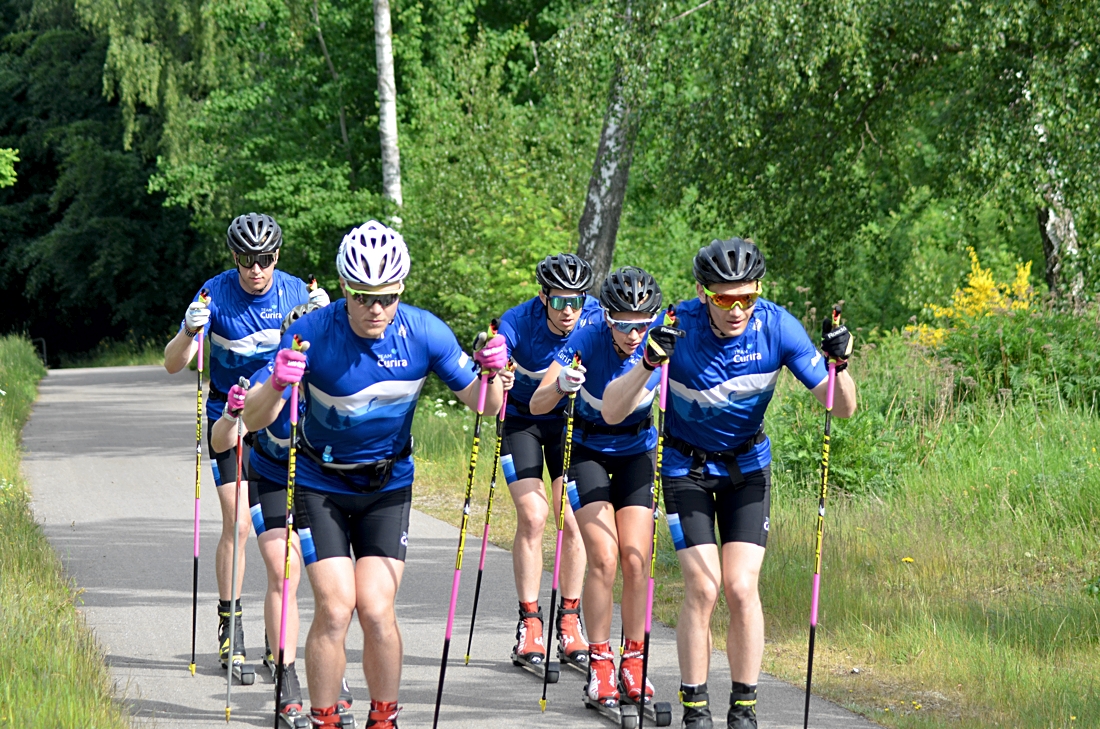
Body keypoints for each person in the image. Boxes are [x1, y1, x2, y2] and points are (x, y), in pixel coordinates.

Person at [243, 220, 511, 729]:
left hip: (387, 487)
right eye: (364, 296)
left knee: (377, 609)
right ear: (344, 289)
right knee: (337, 606)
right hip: (320, 484)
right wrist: (277, 382)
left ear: (401, 289)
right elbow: (252, 422)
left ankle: (383, 719)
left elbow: (484, 404)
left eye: (386, 297)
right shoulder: (311, 334)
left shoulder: (425, 332)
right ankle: (325, 718)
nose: (376, 309)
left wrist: (494, 373)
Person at [601, 238, 857, 729]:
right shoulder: (675, 328)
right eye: (724, 299)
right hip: (685, 469)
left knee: (741, 588)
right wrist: (648, 364)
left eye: (747, 297)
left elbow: (840, 406)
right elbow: (613, 410)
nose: (737, 309)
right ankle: (696, 706)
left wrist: (840, 368)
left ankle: (744, 708)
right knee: (703, 586)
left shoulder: (777, 325)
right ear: (703, 294)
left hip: (747, 469)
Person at [164, 213, 328, 670]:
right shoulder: (214, 292)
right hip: (230, 415)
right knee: (237, 524)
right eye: (246, 259)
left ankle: (279, 636)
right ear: (234, 257)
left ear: (278, 256)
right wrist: (189, 331)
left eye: (265, 259)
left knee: (284, 534)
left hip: (280, 418)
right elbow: (173, 364)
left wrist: (328, 316)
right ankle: (229, 622)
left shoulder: (296, 290)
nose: (256, 269)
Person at [529, 266, 667, 713]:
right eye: (624, 325)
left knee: (636, 558)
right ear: (607, 318)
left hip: (637, 453)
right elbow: (537, 402)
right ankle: (601, 663)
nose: (634, 334)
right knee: (604, 559)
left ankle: (634, 660)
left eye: (642, 324)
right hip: (586, 451)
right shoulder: (586, 339)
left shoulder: (661, 339)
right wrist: (561, 385)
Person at [209, 302, 354, 726]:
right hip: (270, 476)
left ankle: (335, 675)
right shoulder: (266, 380)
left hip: (321, 484)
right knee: (282, 570)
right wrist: (234, 412)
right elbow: (222, 441)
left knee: (335, 589)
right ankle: (286, 679)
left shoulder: (341, 382)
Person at [496, 253, 601, 674]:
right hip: (523, 423)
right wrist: (492, 368)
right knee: (535, 516)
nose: (568, 310)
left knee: (572, 521)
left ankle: (570, 620)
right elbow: (493, 354)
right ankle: (530, 623)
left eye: (575, 299)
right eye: (558, 301)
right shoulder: (518, 321)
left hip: (568, 425)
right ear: (543, 297)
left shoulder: (595, 316)